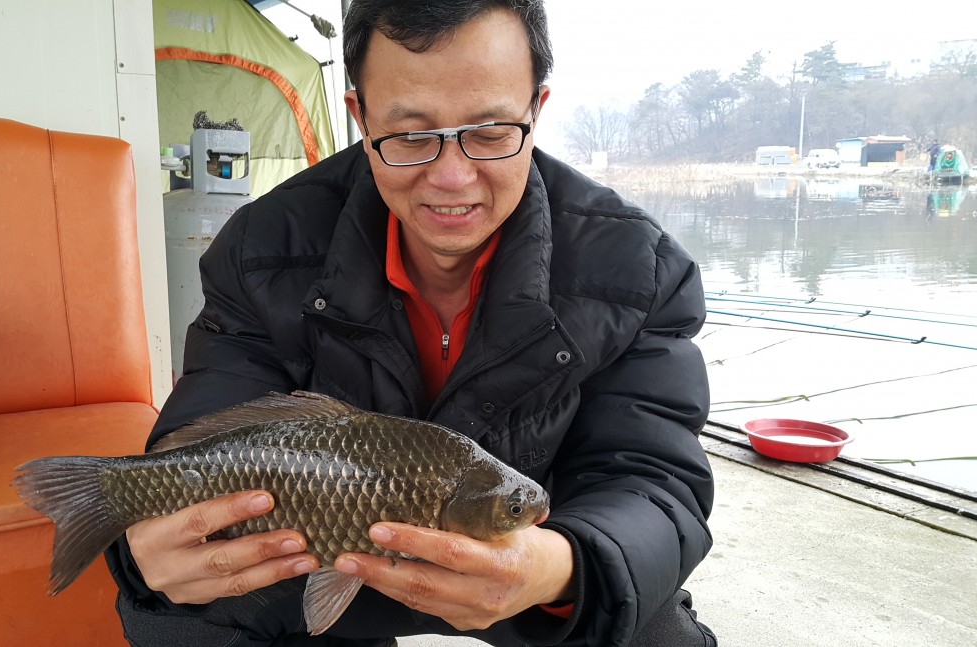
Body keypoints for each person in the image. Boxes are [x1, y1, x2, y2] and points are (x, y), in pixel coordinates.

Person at [105, 1, 716, 645]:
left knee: (643, 618)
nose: (451, 177)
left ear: (536, 109)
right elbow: (205, 433)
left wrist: (563, 568)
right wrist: (150, 548)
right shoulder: (260, 247)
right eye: (410, 135)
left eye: (490, 132)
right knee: (173, 615)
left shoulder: (637, 267)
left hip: (531, 554)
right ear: (361, 116)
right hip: (315, 551)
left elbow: (650, 477)